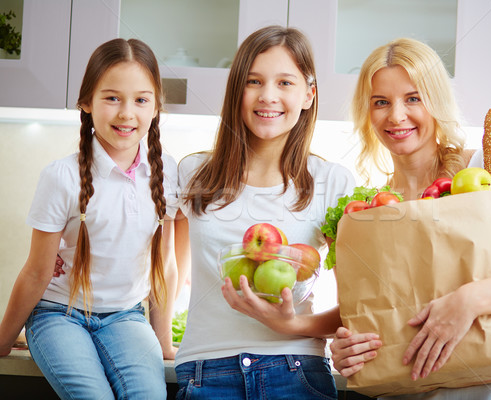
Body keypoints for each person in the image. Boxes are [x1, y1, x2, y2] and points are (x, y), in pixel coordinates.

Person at [328, 37, 491, 399]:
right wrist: (347, 348)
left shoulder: (488, 165)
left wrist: (469, 301)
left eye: (413, 98)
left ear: (436, 100)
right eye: (381, 102)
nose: (396, 115)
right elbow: (379, 309)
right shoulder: (374, 207)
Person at [174, 25, 355, 399]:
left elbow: (358, 302)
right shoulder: (193, 176)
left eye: (285, 83)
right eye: (253, 81)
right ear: (237, 91)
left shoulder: (333, 182)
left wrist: (292, 323)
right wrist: (160, 339)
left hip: (296, 367)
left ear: (309, 94)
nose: (267, 96)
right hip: (206, 371)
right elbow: (166, 269)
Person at [0, 38, 179, 399]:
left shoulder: (167, 172)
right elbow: (37, 272)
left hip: (127, 317)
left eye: (141, 100)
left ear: (156, 106)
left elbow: (165, 265)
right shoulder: (60, 176)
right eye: (112, 97)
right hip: (58, 316)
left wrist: (164, 343)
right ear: (86, 102)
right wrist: (3, 342)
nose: (127, 113)